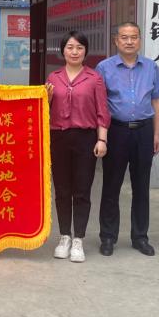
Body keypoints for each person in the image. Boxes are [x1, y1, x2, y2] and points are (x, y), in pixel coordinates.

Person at [95, 22, 159, 256]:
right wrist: (102, 137)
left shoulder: (150, 67)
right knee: (111, 186)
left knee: (141, 186)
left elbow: (157, 101)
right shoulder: (104, 68)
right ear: (116, 40)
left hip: (144, 131)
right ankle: (108, 237)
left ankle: (140, 237)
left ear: (140, 40)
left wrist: (156, 134)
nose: (129, 41)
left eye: (134, 37)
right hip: (116, 131)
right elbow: (99, 104)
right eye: (124, 37)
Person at [45, 31, 110, 263]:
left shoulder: (94, 78)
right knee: (62, 190)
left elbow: (103, 111)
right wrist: (46, 98)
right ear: (62, 50)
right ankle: (64, 236)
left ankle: (79, 239)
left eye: (79, 48)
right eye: (70, 47)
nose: (74, 52)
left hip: (85, 138)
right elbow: (42, 110)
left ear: (85, 51)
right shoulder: (53, 77)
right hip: (58, 138)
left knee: (82, 190)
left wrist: (102, 140)